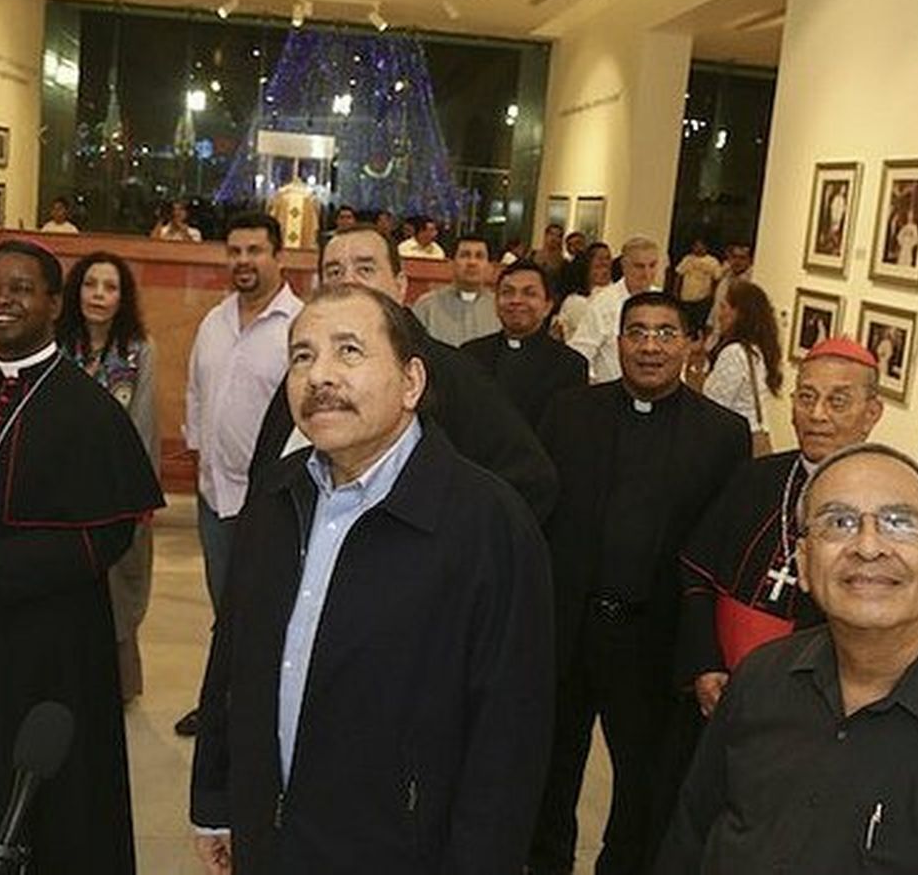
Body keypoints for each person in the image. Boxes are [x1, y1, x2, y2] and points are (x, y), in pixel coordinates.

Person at [190, 284, 554, 875]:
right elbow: (232, 657)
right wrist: (215, 800)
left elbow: (510, 734)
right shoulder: (276, 496)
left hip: (401, 849)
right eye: (302, 356)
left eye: (349, 351)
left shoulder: (487, 523)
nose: (319, 376)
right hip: (269, 835)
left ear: (412, 383)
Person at [658, 442, 918, 873]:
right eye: (839, 522)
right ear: (803, 561)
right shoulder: (759, 680)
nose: (868, 546)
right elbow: (690, 839)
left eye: (900, 523)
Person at [0, 240, 162, 874]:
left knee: (53, 790)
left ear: (52, 303)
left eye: (19, 289)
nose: (1, 301)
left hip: (54, 643)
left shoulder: (87, 409)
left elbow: (107, 535)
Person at [530, 292, 750, 875]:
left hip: (653, 640)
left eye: (665, 333)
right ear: (618, 340)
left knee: (643, 785)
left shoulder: (723, 434)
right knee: (550, 772)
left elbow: (718, 552)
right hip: (569, 632)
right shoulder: (569, 413)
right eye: (637, 332)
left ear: (689, 343)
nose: (650, 346)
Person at [248, 225, 558, 520]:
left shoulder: (451, 372)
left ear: (400, 286)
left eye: (365, 268)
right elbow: (267, 471)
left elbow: (531, 480)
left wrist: (443, 553)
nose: (348, 282)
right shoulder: (307, 371)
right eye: (334, 272)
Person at [680, 336, 884, 717]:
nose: (817, 414)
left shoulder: (885, 502)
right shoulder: (755, 478)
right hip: (717, 689)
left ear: (872, 413)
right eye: (806, 397)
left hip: (811, 706)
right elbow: (695, 572)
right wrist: (706, 663)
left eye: (837, 401)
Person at [177, 212, 302, 737]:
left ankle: (261, 715)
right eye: (235, 251)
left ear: (278, 256)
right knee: (224, 612)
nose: (243, 262)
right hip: (214, 497)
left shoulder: (299, 325)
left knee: (269, 613)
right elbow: (197, 392)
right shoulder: (215, 320)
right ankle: (220, 703)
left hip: (270, 502)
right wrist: (197, 449)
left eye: (254, 251)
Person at [57, 252, 159, 702]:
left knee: (117, 592)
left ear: (123, 298)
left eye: (110, 287)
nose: (99, 295)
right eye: (90, 284)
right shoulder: (54, 346)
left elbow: (144, 426)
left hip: (115, 492)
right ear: (75, 291)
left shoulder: (139, 350)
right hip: (57, 493)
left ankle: (115, 688)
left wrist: (137, 498)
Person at [461, 261, 587, 429]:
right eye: (507, 292)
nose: (516, 300)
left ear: (548, 306)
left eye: (529, 293)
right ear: (496, 303)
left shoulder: (570, 365)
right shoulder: (470, 355)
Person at [568, 236, 664, 383]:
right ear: (624, 266)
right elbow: (578, 354)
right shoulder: (603, 303)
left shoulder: (663, 302)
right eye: (639, 266)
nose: (647, 273)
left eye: (652, 265)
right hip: (610, 394)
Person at [700, 280, 782, 439]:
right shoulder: (759, 350)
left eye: (724, 307)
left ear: (739, 314)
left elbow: (713, 407)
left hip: (733, 439)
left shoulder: (734, 353)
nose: (719, 314)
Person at [411, 233, 500, 346]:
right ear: (451, 263)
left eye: (479, 256)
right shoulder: (427, 305)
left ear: (490, 267)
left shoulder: (500, 308)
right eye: (465, 255)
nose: (472, 262)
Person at [555, 240, 612, 341]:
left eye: (608, 258)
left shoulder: (616, 293)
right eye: (600, 260)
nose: (605, 263)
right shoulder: (574, 300)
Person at [704, 243, 751, 345]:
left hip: (735, 339)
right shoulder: (724, 280)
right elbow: (715, 307)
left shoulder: (751, 284)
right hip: (716, 337)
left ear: (749, 260)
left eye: (742, 258)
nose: (737, 261)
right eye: (734, 257)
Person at [673, 238, 721, 337]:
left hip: (702, 297)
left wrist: (713, 294)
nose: (698, 248)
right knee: (686, 321)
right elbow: (679, 275)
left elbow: (717, 279)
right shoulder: (687, 259)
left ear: (705, 247)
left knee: (699, 323)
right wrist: (675, 292)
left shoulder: (712, 261)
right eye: (696, 246)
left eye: (700, 246)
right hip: (686, 296)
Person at [531, 222, 567, 288]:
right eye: (552, 234)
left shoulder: (563, 262)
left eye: (558, 236)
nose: (554, 238)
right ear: (545, 235)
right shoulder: (532, 255)